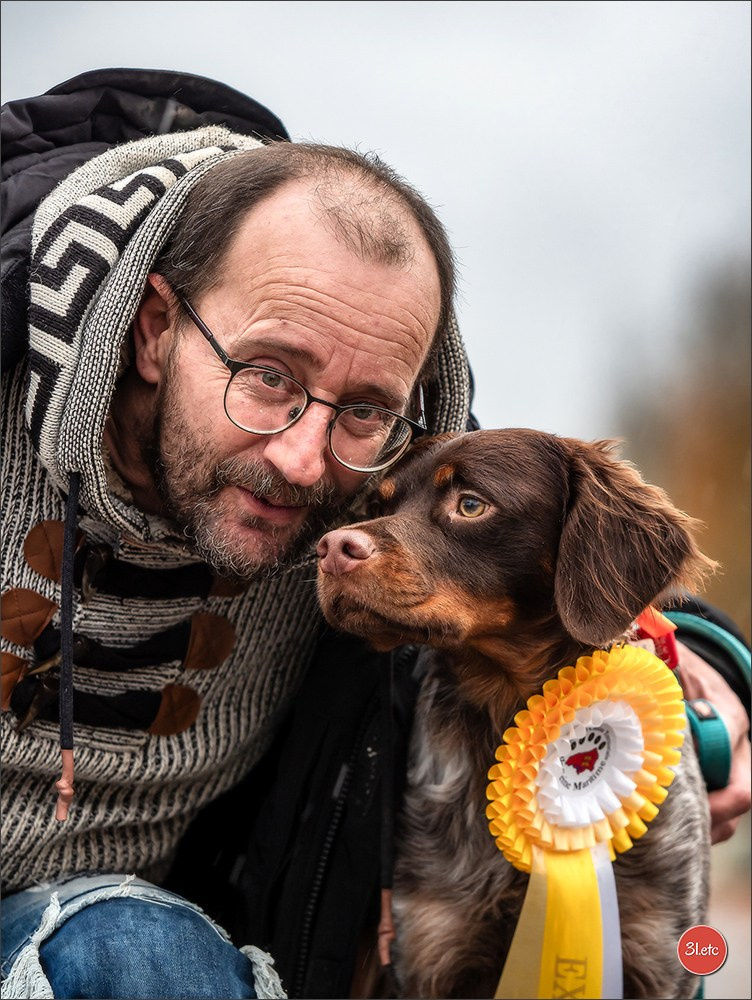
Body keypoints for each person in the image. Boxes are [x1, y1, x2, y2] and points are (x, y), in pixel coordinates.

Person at [1, 69, 749, 1000]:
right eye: (268, 375)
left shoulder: (366, 483)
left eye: (364, 408)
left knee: (139, 953)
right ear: (156, 330)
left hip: (116, 920)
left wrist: (709, 657)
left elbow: (539, 515)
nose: (308, 461)